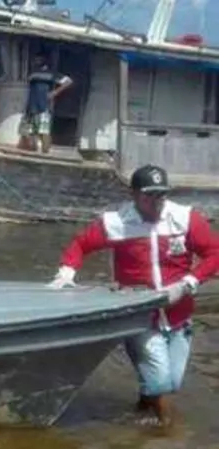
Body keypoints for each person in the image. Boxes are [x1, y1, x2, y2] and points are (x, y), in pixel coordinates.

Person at [47, 165, 219, 427]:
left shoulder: (185, 219)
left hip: (179, 313)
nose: (156, 202)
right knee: (160, 381)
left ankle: (142, 405)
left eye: (161, 195)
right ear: (134, 195)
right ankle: (167, 431)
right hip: (139, 315)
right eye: (149, 196)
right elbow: (81, 245)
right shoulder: (116, 223)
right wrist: (66, 273)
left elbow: (214, 253)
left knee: (172, 381)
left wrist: (189, 282)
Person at [19, 53, 73, 153]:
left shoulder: (51, 73)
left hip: (44, 107)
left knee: (44, 131)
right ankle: (34, 151)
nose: (35, 62)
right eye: (35, 60)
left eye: (37, 60)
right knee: (30, 132)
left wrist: (55, 92)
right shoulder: (32, 73)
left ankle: (45, 152)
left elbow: (68, 81)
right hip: (31, 106)